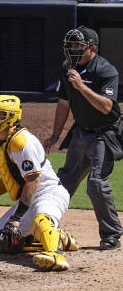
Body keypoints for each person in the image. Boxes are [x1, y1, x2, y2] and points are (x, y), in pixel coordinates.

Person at [43, 26, 123, 250]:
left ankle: (111, 234)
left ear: (92, 49)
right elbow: (64, 103)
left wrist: (81, 86)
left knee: (96, 184)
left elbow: (107, 107)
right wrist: (55, 135)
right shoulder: (67, 67)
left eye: (79, 46)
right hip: (80, 133)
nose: (73, 50)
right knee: (62, 182)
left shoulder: (106, 71)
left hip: (103, 135)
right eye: (71, 45)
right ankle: (43, 226)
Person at [0, 95, 78, 271]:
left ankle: (55, 254)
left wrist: (16, 219)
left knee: (41, 221)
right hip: (29, 199)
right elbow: (12, 178)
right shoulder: (1, 142)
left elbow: (33, 181)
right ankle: (60, 238)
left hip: (49, 193)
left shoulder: (21, 142)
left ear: (10, 117)